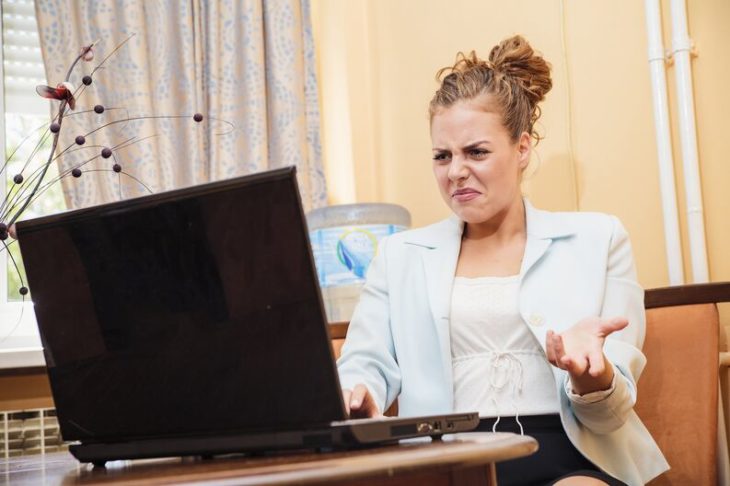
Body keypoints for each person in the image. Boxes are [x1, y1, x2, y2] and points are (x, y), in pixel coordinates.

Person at [336, 35, 669, 486]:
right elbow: (364, 365)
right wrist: (360, 396)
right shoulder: (399, 257)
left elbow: (611, 416)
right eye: (442, 156)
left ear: (523, 148)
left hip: (572, 454)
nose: (455, 171)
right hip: (446, 464)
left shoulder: (599, 238)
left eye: (476, 152)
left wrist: (592, 374)